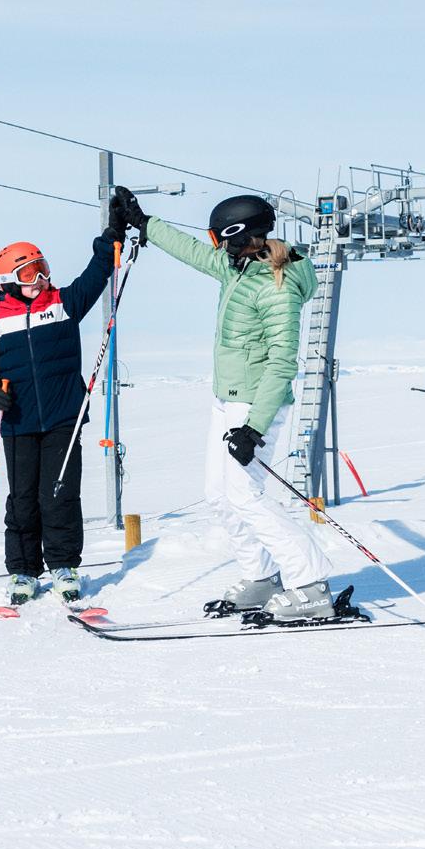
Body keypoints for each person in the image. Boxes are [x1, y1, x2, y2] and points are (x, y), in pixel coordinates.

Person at [112, 188, 334, 621]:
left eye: (220, 238)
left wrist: (255, 427)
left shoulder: (278, 287)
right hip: (227, 399)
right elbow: (192, 251)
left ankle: (311, 584)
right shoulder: (238, 267)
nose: (215, 246)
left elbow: (282, 362)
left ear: (240, 236)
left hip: (256, 403)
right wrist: (145, 223)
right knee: (219, 496)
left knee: (246, 495)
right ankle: (261, 577)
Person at [0, 231, 122, 605]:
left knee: (60, 494)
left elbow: (95, 276)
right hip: (17, 422)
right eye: (29, 273)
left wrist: (108, 244)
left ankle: (63, 565)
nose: (40, 278)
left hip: (62, 418)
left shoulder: (63, 305)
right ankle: (23, 571)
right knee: (22, 499)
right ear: (7, 281)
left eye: (42, 268)